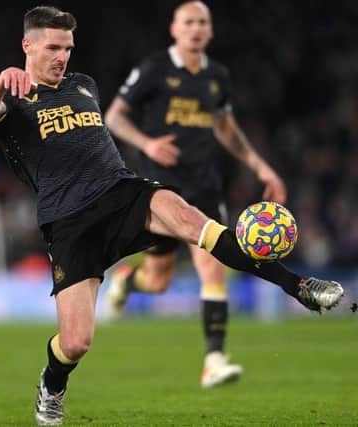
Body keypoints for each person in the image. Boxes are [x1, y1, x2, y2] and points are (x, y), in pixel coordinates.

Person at [0, 5, 343, 426]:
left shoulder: (83, 85)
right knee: (76, 344)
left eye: (68, 48)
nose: (62, 57)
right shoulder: (14, 98)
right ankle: (52, 385)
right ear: (28, 45)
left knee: (193, 221)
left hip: (123, 192)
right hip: (68, 221)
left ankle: (299, 287)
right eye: (53, 47)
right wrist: (1, 83)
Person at [103, 0, 287, 388]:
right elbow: (114, 116)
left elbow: (226, 128)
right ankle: (125, 282)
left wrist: (260, 166)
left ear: (211, 30)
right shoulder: (154, 69)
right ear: (174, 29)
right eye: (189, 22)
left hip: (205, 185)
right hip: (161, 192)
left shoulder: (217, 76)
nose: (196, 28)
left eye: (203, 22)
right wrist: (147, 144)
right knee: (157, 282)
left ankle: (214, 360)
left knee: (212, 266)